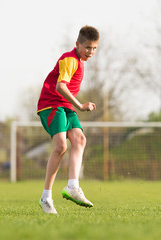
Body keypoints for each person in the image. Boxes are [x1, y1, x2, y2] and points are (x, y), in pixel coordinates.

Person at [37, 25, 100, 214]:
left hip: (64, 106)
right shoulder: (70, 60)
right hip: (51, 104)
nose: (91, 52)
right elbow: (60, 86)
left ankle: (73, 187)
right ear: (77, 44)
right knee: (61, 147)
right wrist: (80, 105)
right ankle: (46, 197)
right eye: (87, 47)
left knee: (80, 139)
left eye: (94, 48)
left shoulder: (79, 61)